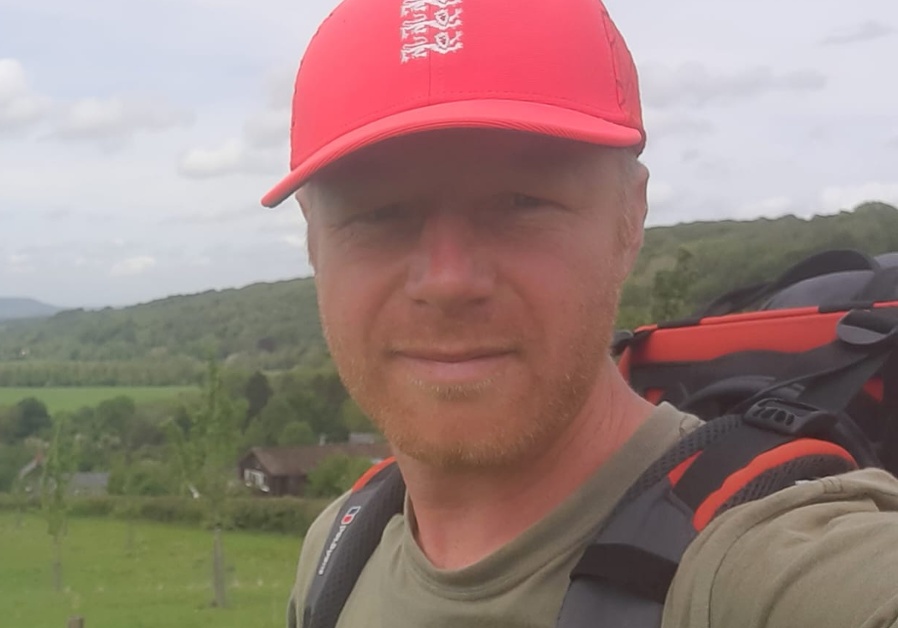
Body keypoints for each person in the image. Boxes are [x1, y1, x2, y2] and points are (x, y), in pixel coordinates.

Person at [262, 0, 898, 626]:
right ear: (314, 240)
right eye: (379, 212)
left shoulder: (759, 561)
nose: (448, 281)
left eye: (521, 201)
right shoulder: (342, 547)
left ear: (631, 218)